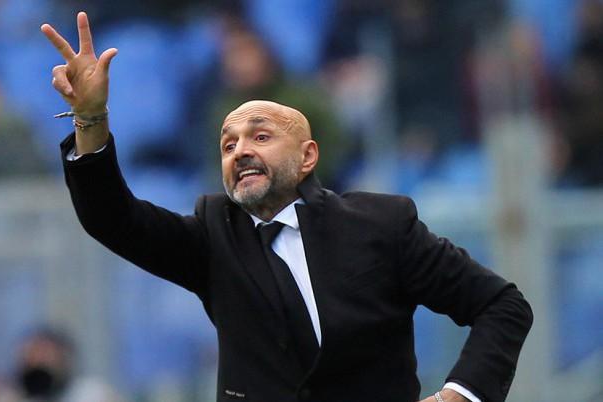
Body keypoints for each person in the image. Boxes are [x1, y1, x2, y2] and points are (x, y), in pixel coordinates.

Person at [41, 12, 532, 402]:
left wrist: (458, 395)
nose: (240, 151)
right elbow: (113, 218)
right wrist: (91, 117)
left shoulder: (382, 224)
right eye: (228, 144)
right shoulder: (213, 235)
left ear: (307, 157)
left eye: (260, 137)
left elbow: (502, 305)